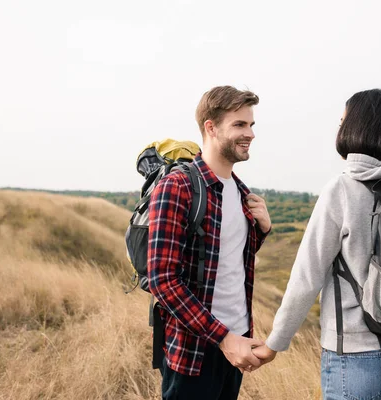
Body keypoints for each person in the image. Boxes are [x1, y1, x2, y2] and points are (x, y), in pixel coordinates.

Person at [253, 89, 381, 399]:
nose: (339, 129)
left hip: (358, 359)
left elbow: (307, 277)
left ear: (359, 128)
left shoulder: (343, 188)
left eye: (342, 121)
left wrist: (274, 344)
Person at [148, 85, 272, 400]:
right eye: (240, 125)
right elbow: (162, 279)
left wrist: (263, 229)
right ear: (211, 127)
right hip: (195, 350)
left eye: (252, 125)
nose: (251, 134)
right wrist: (224, 338)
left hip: (237, 344)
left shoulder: (243, 193)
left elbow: (223, 260)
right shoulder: (177, 187)